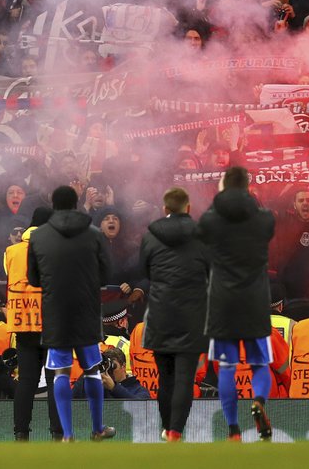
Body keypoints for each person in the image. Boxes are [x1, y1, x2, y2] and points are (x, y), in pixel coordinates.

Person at [28, 185, 114, 442]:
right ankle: (98, 429)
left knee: (61, 372)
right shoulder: (94, 234)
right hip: (86, 309)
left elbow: (33, 279)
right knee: (92, 370)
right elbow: (107, 274)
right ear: (76, 203)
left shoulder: (38, 236)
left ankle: (67, 434)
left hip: (56, 312)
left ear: (53, 204)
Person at [198, 166, 275, 441]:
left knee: (227, 367)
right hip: (254, 300)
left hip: (222, 302)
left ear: (223, 185)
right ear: (248, 186)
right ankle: (259, 403)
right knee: (259, 365)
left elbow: (202, 243)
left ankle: (233, 429)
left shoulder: (210, 220)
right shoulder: (264, 219)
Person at [140, 187, 209, 441]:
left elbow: (144, 271)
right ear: (188, 208)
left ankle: (166, 427)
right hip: (192, 316)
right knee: (184, 377)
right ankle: (175, 432)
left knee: (165, 378)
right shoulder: (203, 235)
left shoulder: (150, 235)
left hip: (160, 314)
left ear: (165, 209)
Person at [3, 205, 62, 441]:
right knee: (55, 379)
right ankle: (58, 432)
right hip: (51, 324)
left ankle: (21, 432)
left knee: (26, 381)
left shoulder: (11, 251)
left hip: (22, 323)